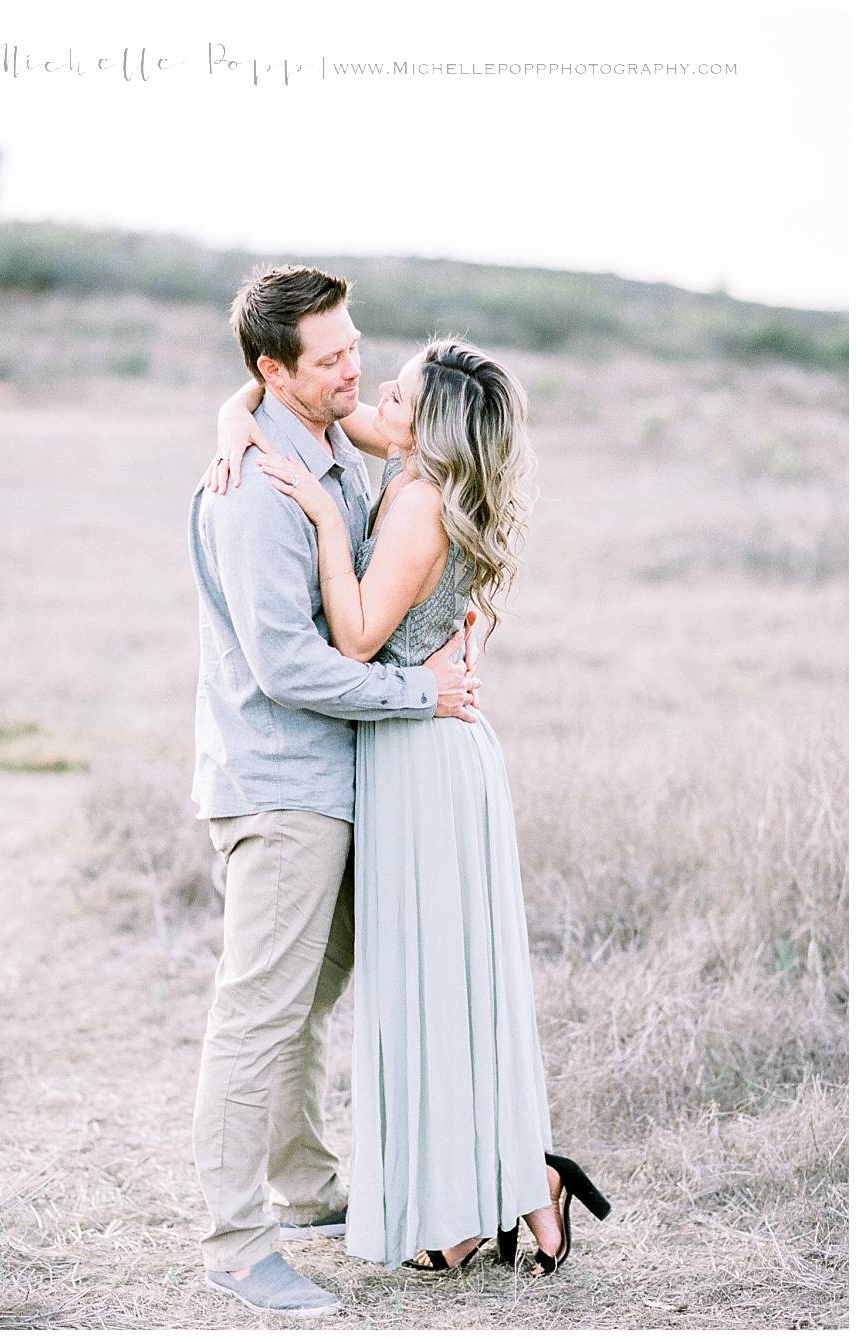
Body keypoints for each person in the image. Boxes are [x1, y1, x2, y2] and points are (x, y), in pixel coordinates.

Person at [210, 317, 612, 1284]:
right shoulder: (417, 476)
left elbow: (351, 639)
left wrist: (311, 509)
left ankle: (501, 1190)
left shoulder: (419, 502)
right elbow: (271, 392)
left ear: (428, 430)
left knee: (437, 989)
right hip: (428, 752)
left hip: (422, 759)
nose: (370, 400)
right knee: (454, 989)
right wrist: (234, 417)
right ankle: (511, 1188)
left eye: (395, 396)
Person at [188, 263, 483, 1320]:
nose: (356, 368)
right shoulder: (258, 489)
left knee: (309, 1001)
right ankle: (235, 1244)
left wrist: (238, 409)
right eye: (332, 358)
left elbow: (400, 444)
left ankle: (306, 1189)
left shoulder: (319, 427)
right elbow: (286, 666)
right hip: (279, 781)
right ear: (277, 368)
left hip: (343, 774)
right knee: (259, 1011)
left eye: (356, 344)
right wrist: (418, 691)